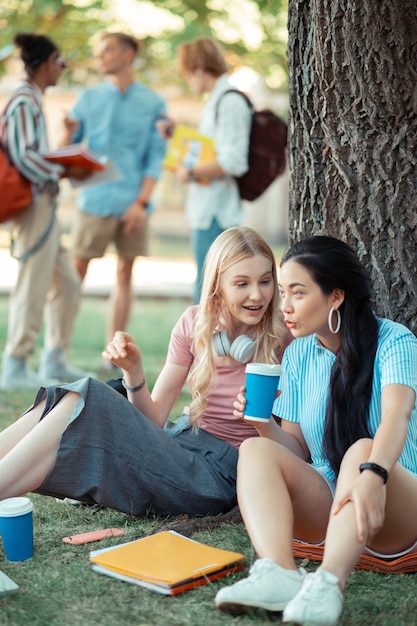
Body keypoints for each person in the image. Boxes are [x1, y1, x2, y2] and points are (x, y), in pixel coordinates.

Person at [0, 226, 289, 517]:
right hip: (181, 442)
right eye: (242, 284)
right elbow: (155, 419)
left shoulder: (286, 338)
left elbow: (297, 448)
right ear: (217, 285)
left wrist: (262, 422)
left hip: (222, 475)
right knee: (82, 396)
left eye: (265, 281)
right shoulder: (194, 323)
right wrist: (134, 372)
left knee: (88, 396)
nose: (257, 295)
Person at [214, 235, 417, 626]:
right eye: (283, 292)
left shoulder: (395, 340)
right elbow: (297, 451)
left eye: (298, 293)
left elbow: (397, 416)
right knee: (254, 450)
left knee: (362, 450)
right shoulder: (299, 353)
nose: (284, 307)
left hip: (395, 501)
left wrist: (374, 474)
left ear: (335, 297)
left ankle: (327, 585)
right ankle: (278, 573)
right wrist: (262, 424)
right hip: (331, 501)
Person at [61, 32, 167, 372]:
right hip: (94, 200)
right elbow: (67, 151)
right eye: (99, 51)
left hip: (134, 202)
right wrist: (66, 131)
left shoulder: (153, 103)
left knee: (125, 272)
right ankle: (57, 349)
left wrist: (141, 202)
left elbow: (156, 155)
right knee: (75, 272)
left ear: (128, 54)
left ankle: (113, 356)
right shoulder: (88, 98)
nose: (100, 57)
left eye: (107, 50)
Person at [0, 33, 95, 390]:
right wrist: (60, 170)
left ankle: (54, 356)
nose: (63, 68)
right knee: (33, 283)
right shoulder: (24, 100)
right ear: (44, 63)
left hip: (45, 203)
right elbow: (24, 156)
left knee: (67, 283)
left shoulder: (35, 99)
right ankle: (16, 363)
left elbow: (34, 153)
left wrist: (65, 153)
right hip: (33, 205)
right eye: (60, 61)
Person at [158, 37, 252, 303]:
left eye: (187, 73)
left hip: (216, 212)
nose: (187, 80)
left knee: (206, 296)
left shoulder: (229, 101)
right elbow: (210, 148)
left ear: (199, 68)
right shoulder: (215, 100)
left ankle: (199, 347)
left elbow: (233, 160)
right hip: (206, 210)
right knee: (205, 292)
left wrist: (189, 173)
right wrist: (176, 135)